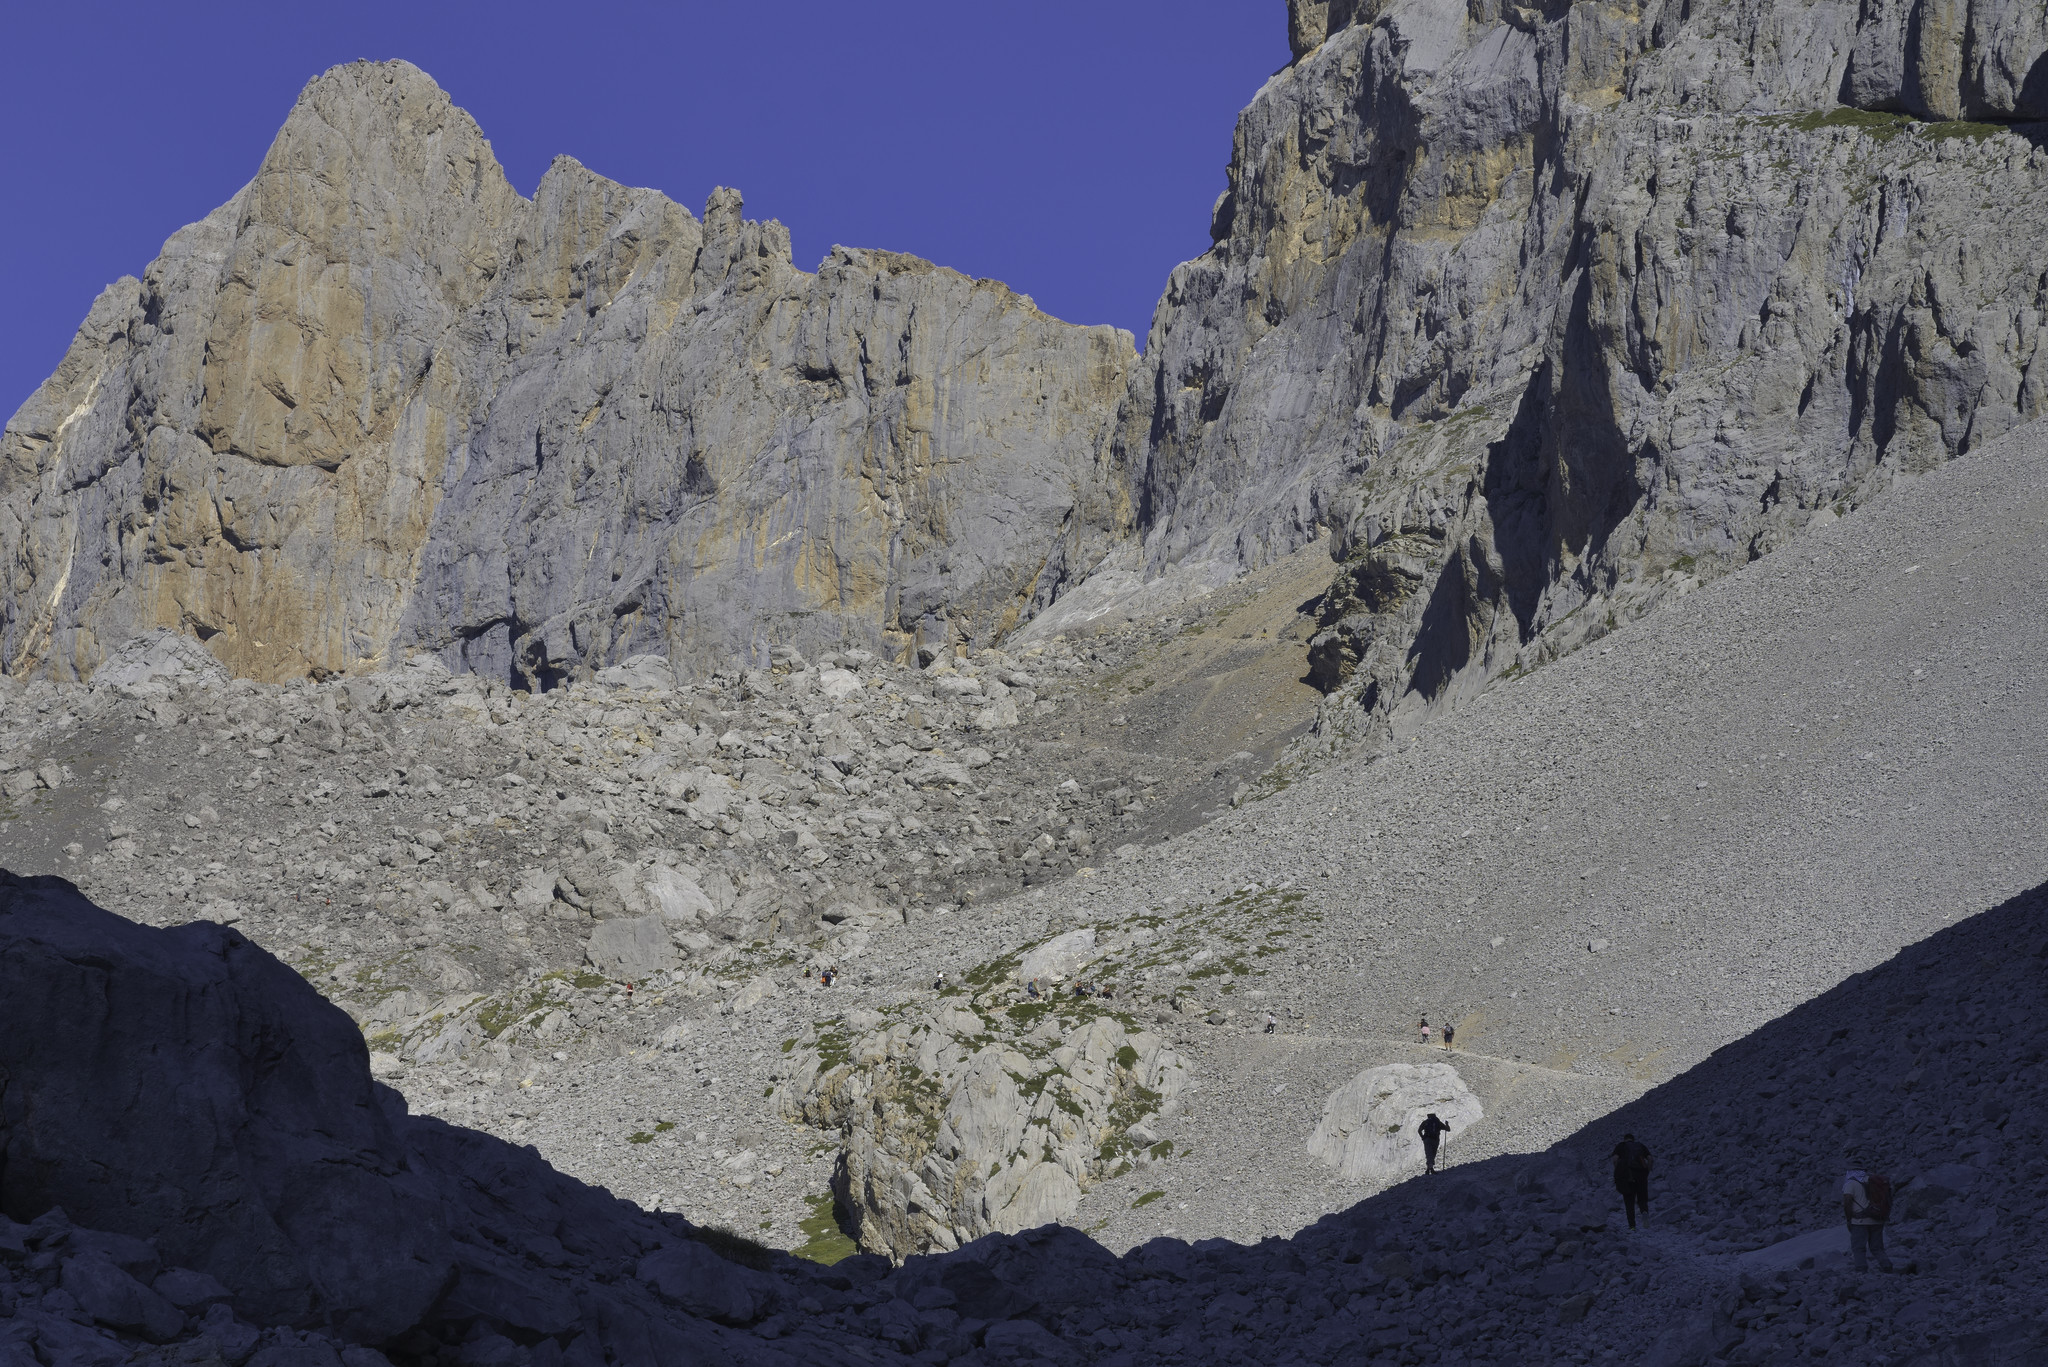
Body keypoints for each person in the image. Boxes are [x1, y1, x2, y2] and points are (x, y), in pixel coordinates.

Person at [1842, 1160, 1896, 1273]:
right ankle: (1887, 1267)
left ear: (1851, 1171)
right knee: (1877, 1248)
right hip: (1877, 1219)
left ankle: (1861, 1271)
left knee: (1858, 1248)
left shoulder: (1851, 1183)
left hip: (1859, 1221)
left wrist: (1848, 1219)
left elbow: (1847, 1202)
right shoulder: (1873, 1181)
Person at [1610, 1133, 1652, 1228]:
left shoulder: (1621, 1146)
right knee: (1642, 1198)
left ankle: (1632, 1226)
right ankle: (1644, 1212)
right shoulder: (1640, 1145)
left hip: (1627, 1177)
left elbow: (1615, 1159)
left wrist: (1619, 1171)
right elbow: (1649, 1158)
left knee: (1629, 1201)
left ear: (1625, 1139)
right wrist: (1647, 1171)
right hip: (1641, 1176)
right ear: (1633, 1139)